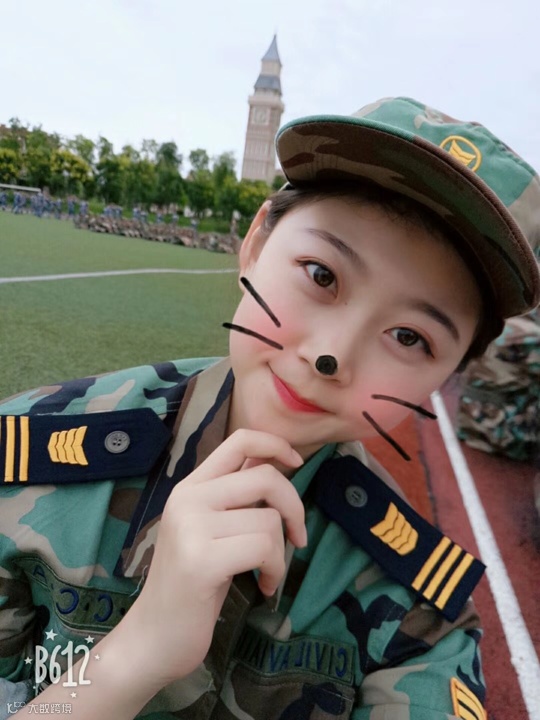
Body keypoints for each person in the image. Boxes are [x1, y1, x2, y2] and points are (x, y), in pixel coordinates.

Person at [1, 96, 539, 720]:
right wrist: (133, 656)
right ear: (256, 243)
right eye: (321, 274)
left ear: (447, 377)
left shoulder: (419, 618)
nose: (332, 355)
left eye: (409, 337)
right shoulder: (31, 462)